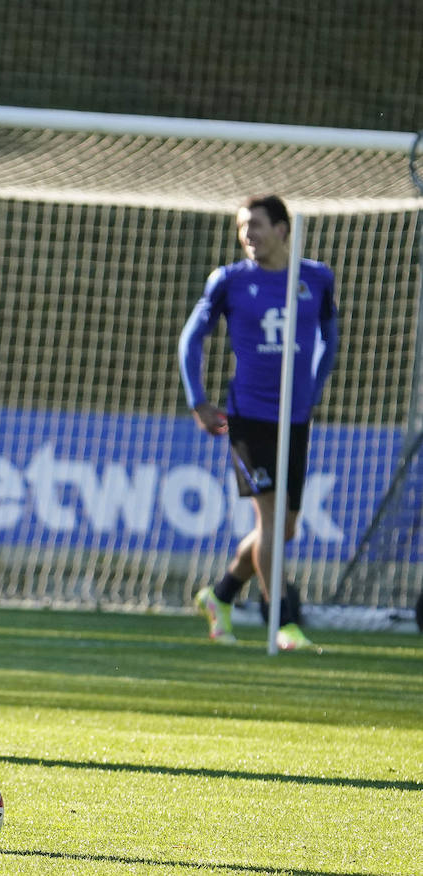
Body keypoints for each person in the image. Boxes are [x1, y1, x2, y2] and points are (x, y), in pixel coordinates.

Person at [178, 193, 339, 652]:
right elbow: (192, 339)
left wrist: (313, 388)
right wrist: (198, 401)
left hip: (296, 417)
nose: (248, 234)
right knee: (269, 520)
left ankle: (221, 594)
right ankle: (283, 623)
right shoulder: (229, 281)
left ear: (283, 230)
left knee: (285, 529)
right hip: (248, 416)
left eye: (257, 225)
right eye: (243, 226)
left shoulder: (316, 278)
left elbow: (330, 336)